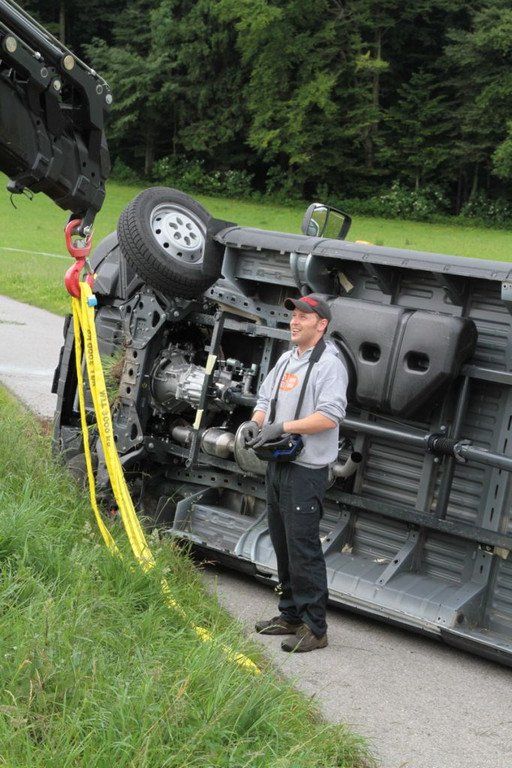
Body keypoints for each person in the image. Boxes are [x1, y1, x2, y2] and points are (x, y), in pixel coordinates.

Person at [241, 293, 348, 652]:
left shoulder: (329, 365)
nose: (295, 321)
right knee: (282, 544)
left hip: (306, 472)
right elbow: (263, 401)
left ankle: (315, 628)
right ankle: (289, 615)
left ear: (322, 325)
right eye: (294, 315)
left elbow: (330, 416)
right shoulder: (287, 359)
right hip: (278, 465)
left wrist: (284, 426)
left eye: (304, 316)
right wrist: (257, 423)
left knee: (303, 549)